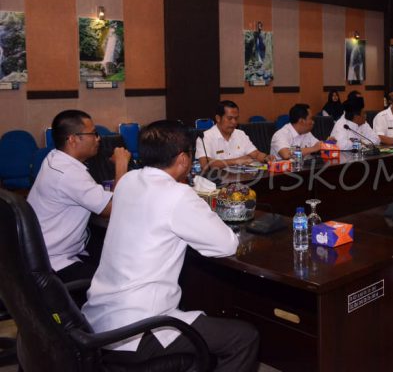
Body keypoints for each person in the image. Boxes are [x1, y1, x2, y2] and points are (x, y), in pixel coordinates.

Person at [82, 121, 259, 371]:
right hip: (140, 328)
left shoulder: (128, 180)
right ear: (184, 159)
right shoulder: (177, 195)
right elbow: (227, 245)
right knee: (244, 337)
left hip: (98, 321)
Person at [27, 110, 131, 283]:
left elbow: (91, 193)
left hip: (47, 247)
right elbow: (113, 208)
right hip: (54, 260)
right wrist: (121, 165)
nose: (98, 139)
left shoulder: (55, 157)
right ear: (73, 139)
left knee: (114, 257)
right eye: (93, 134)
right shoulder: (68, 173)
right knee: (117, 281)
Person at [195, 100, 273, 169]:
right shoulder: (205, 137)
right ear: (218, 118)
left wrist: (266, 158)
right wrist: (236, 161)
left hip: (242, 178)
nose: (234, 122)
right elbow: (205, 164)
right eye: (229, 118)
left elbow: (255, 154)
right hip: (217, 179)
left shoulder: (240, 134)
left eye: (236, 118)